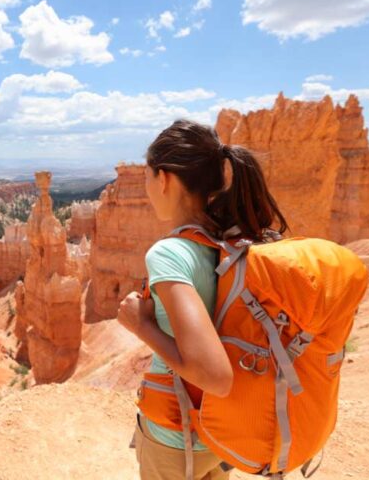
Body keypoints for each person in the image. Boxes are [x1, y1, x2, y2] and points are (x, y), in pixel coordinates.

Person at [116, 120, 289, 480]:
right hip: (219, 432)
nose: (146, 187)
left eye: (147, 176)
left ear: (164, 178)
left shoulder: (169, 254)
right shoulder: (230, 243)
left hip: (176, 436)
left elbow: (215, 375)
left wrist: (140, 324)